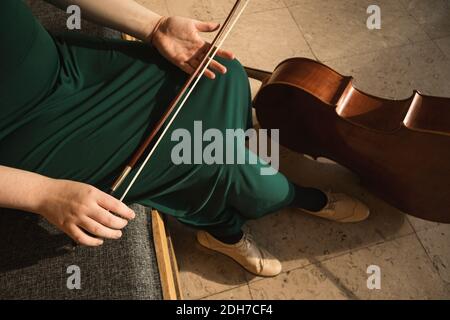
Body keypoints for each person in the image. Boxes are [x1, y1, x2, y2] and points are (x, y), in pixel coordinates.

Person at [0, 0, 369, 277]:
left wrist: (155, 25)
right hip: (23, 133)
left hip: (65, 65)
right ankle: (238, 220)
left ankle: (233, 196)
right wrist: (41, 192)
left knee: (222, 75)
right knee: (202, 159)